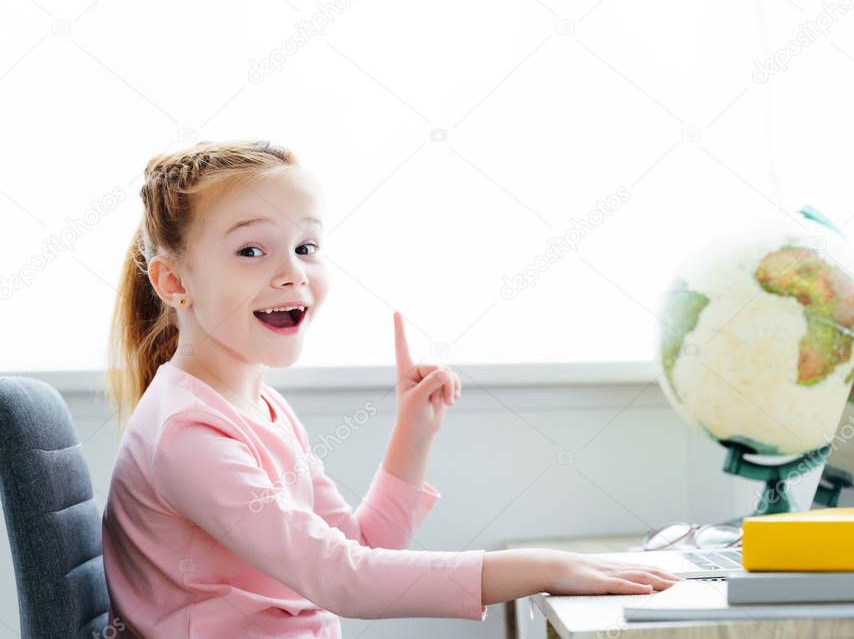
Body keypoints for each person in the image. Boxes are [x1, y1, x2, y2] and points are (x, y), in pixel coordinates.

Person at [101, 139, 679, 637]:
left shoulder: (259, 407)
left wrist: (413, 432)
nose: (293, 272)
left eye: (306, 247)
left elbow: (359, 547)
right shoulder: (187, 434)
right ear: (174, 281)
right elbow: (342, 580)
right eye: (252, 250)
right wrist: (544, 567)